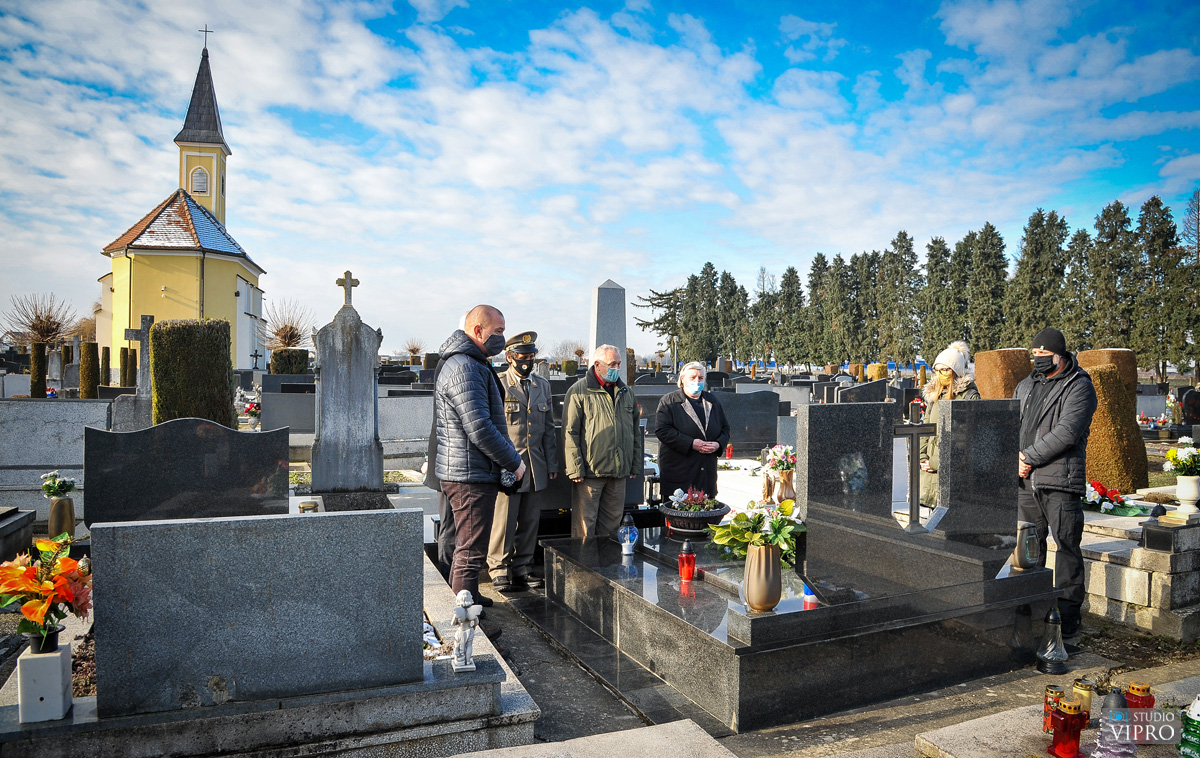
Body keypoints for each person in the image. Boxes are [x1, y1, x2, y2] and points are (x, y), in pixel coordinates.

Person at [435, 304, 526, 611]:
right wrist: (514, 462)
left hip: (470, 469)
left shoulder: (471, 362)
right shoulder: (465, 367)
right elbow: (480, 428)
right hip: (469, 473)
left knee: (471, 546)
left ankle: (470, 596)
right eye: (498, 331)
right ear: (478, 330)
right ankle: (465, 620)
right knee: (471, 551)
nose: (502, 339)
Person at [1013, 327, 1097, 639]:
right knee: (1028, 547)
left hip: (1059, 479)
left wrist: (1028, 457)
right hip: (1026, 481)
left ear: (1059, 356)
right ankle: (1030, 610)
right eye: (1034, 354)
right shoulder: (1025, 385)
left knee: (1066, 547)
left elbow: (1067, 431)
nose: (1037, 359)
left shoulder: (1079, 386)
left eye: (1044, 355)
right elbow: (1012, 424)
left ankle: (1067, 617)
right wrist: (1015, 459)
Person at [487, 331, 557, 593]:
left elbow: (548, 428)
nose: (527, 361)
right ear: (510, 357)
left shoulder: (542, 386)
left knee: (530, 521)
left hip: (535, 464)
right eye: (522, 356)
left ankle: (523, 568)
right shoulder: (499, 383)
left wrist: (552, 464)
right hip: (507, 464)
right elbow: (492, 428)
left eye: (531, 356)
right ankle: (499, 569)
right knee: (504, 520)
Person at [563, 344, 642, 539]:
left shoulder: (626, 392)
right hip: (590, 472)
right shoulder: (579, 391)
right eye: (612, 364)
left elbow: (634, 432)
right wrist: (575, 468)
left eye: (619, 364)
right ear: (597, 364)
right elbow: (570, 432)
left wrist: (634, 464)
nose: (617, 368)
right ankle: (583, 560)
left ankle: (608, 560)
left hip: (618, 472)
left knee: (612, 527)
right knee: (584, 528)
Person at [654, 361, 730, 498]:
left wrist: (718, 444)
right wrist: (691, 443)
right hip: (680, 473)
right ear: (682, 379)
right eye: (693, 377)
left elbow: (725, 428)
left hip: (706, 474)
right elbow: (663, 430)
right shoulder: (669, 402)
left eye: (700, 378)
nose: (697, 381)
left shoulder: (712, 401)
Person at [919, 341, 980, 507]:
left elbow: (965, 438)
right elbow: (925, 429)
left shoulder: (968, 396)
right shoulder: (934, 396)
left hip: (953, 472)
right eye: (937, 370)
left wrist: (936, 462)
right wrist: (922, 457)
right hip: (929, 471)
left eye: (945, 369)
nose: (940, 374)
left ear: (956, 371)